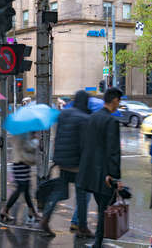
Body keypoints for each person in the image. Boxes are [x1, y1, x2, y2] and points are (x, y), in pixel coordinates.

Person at [40, 90, 94, 238]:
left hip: (63, 162)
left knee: (59, 192)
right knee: (82, 195)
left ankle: (45, 217)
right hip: (77, 165)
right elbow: (84, 144)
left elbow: (57, 137)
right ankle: (82, 227)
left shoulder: (64, 114)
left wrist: (56, 158)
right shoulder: (84, 118)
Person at [77, 87, 123, 248]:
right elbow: (113, 150)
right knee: (104, 209)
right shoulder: (111, 121)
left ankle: (98, 241)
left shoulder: (92, 118)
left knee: (101, 207)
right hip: (105, 175)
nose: (119, 104)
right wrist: (114, 175)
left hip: (90, 172)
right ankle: (97, 242)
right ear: (115, 100)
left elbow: (84, 145)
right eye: (119, 100)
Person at [0, 132, 40, 222]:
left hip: (22, 162)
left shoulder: (22, 131)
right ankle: (5, 210)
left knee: (26, 188)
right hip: (20, 162)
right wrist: (35, 140)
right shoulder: (23, 133)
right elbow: (28, 146)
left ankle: (32, 211)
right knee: (21, 188)